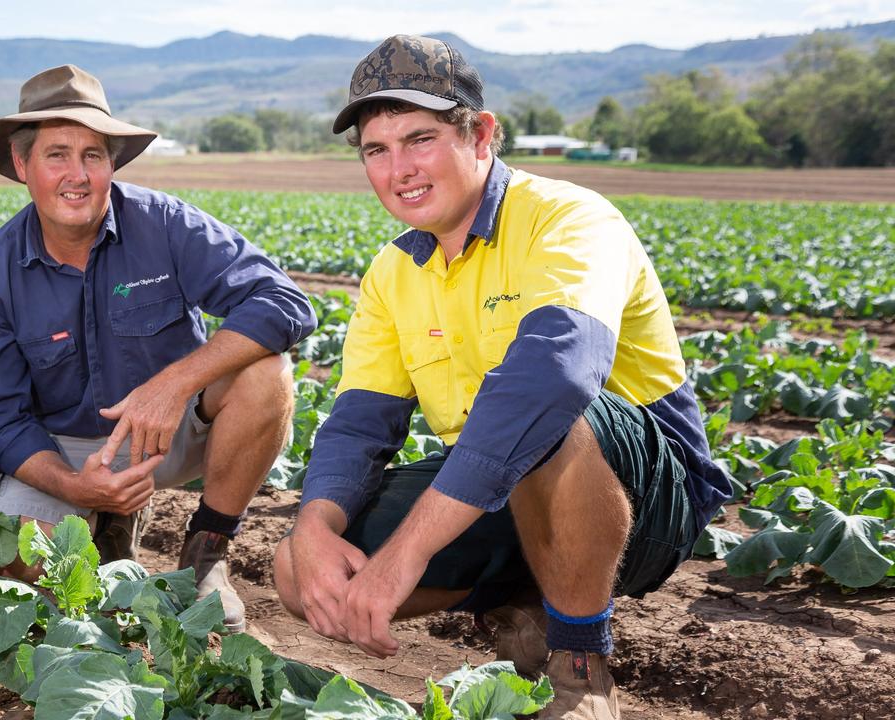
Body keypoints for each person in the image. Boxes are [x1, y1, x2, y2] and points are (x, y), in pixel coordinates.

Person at [272, 35, 732, 719]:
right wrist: (312, 529)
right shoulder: (394, 271)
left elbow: (553, 379)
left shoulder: (570, 219)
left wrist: (406, 555)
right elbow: (359, 423)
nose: (400, 168)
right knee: (295, 568)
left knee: (547, 416)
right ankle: (529, 602)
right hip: (496, 491)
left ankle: (583, 668)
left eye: (420, 139)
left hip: (642, 501)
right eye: (377, 149)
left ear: (481, 134)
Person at [0, 64, 316, 633]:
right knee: (14, 556)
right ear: (22, 165)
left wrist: (172, 385)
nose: (77, 175)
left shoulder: (165, 225)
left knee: (267, 369)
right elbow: (0, 420)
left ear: (111, 165)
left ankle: (206, 555)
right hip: (65, 450)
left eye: (93, 156)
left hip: (167, 434)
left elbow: (285, 303)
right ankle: (103, 526)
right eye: (57, 155)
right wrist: (77, 486)